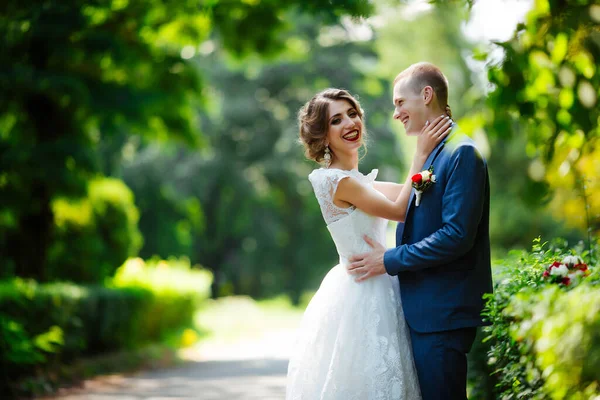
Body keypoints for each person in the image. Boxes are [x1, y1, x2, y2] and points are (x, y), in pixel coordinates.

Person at [285, 87, 452, 400]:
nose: (349, 122)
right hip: (362, 290)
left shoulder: (359, 181)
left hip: (381, 281)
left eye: (352, 113)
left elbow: (408, 190)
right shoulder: (337, 181)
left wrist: (434, 160)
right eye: (336, 120)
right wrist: (420, 153)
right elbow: (401, 209)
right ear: (322, 136)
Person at [346, 62, 493, 400]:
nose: (396, 113)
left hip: (443, 315)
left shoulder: (462, 153)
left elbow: (456, 235)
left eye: (400, 102)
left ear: (426, 95)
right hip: (424, 313)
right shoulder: (431, 154)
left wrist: (389, 259)